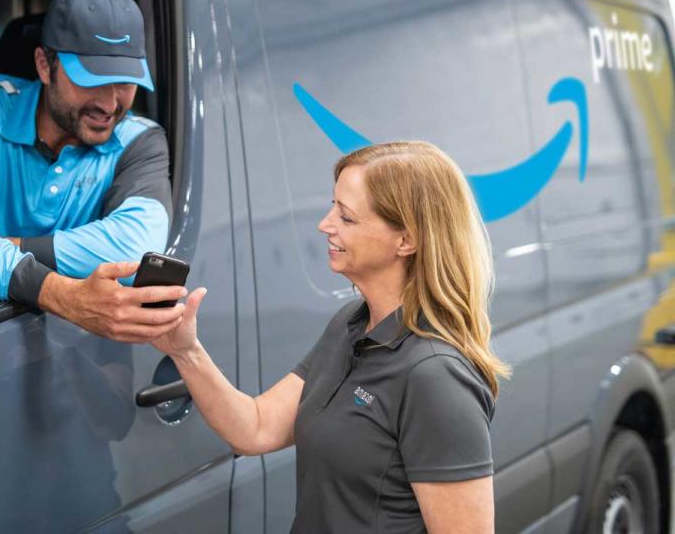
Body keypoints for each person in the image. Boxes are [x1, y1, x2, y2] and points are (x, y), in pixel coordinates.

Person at [153, 141, 510, 533]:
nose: (325, 224)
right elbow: (255, 428)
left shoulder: (435, 375)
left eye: (347, 217)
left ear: (406, 240)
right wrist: (185, 351)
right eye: (332, 207)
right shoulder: (350, 326)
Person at [0, 0, 186, 340]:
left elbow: (135, 248)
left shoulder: (140, 140)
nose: (111, 104)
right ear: (44, 65)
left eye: (125, 83)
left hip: (80, 368)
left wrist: (0, 247)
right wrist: (57, 293)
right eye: (93, 80)